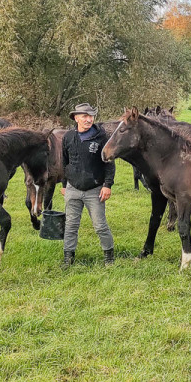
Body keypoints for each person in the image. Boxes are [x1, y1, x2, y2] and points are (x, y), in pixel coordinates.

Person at [61, 103, 116, 267]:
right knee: (70, 225)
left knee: (100, 225)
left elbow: (109, 163)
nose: (89, 119)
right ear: (76, 118)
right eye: (84, 116)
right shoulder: (68, 137)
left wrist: (107, 185)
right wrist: (64, 184)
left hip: (95, 190)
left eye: (91, 116)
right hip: (72, 189)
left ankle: (109, 257)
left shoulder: (101, 137)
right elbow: (65, 161)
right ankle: (68, 258)